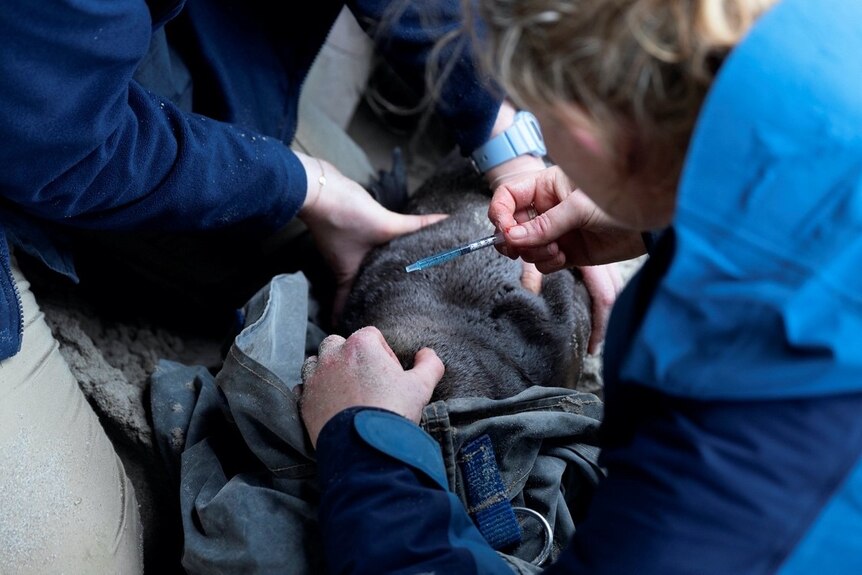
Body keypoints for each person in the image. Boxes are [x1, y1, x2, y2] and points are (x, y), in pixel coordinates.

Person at [0, 1, 621, 572]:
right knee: (86, 559)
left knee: (287, 233)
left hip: (87, 72)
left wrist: (506, 142)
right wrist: (305, 186)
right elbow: (51, 136)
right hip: (43, 111)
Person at [300, 0, 862, 572]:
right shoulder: (821, 41)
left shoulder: (731, 477)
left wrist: (368, 449)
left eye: (533, 128)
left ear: (589, 137)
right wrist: (656, 217)